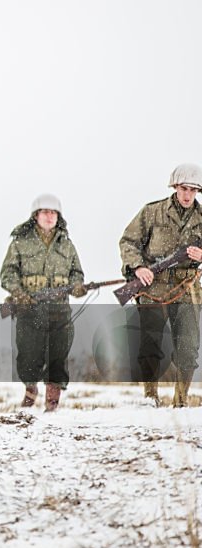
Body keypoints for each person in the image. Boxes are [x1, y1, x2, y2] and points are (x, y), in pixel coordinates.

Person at [119, 163, 202, 408]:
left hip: (188, 288)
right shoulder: (152, 212)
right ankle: (150, 398)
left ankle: (181, 401)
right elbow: (128, 242)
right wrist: (138, 267)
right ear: (175, 187)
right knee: (150, 345)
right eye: (184, 188)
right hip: (152, 288)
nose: (188, 195)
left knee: (188, 347)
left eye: (194, 190)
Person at [0, 193, 86, 412]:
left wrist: (77, 286)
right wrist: (19, 294)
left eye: (53, 213)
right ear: (36, 215)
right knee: (29, 353)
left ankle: (53, 400)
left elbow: (77, 272)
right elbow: (8, 273)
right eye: (45, 212)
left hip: (59, 309)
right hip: (30, 308)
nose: (49, 217)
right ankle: (30, 391)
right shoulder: (21, 242)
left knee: (58, 354)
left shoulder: (66, 245)